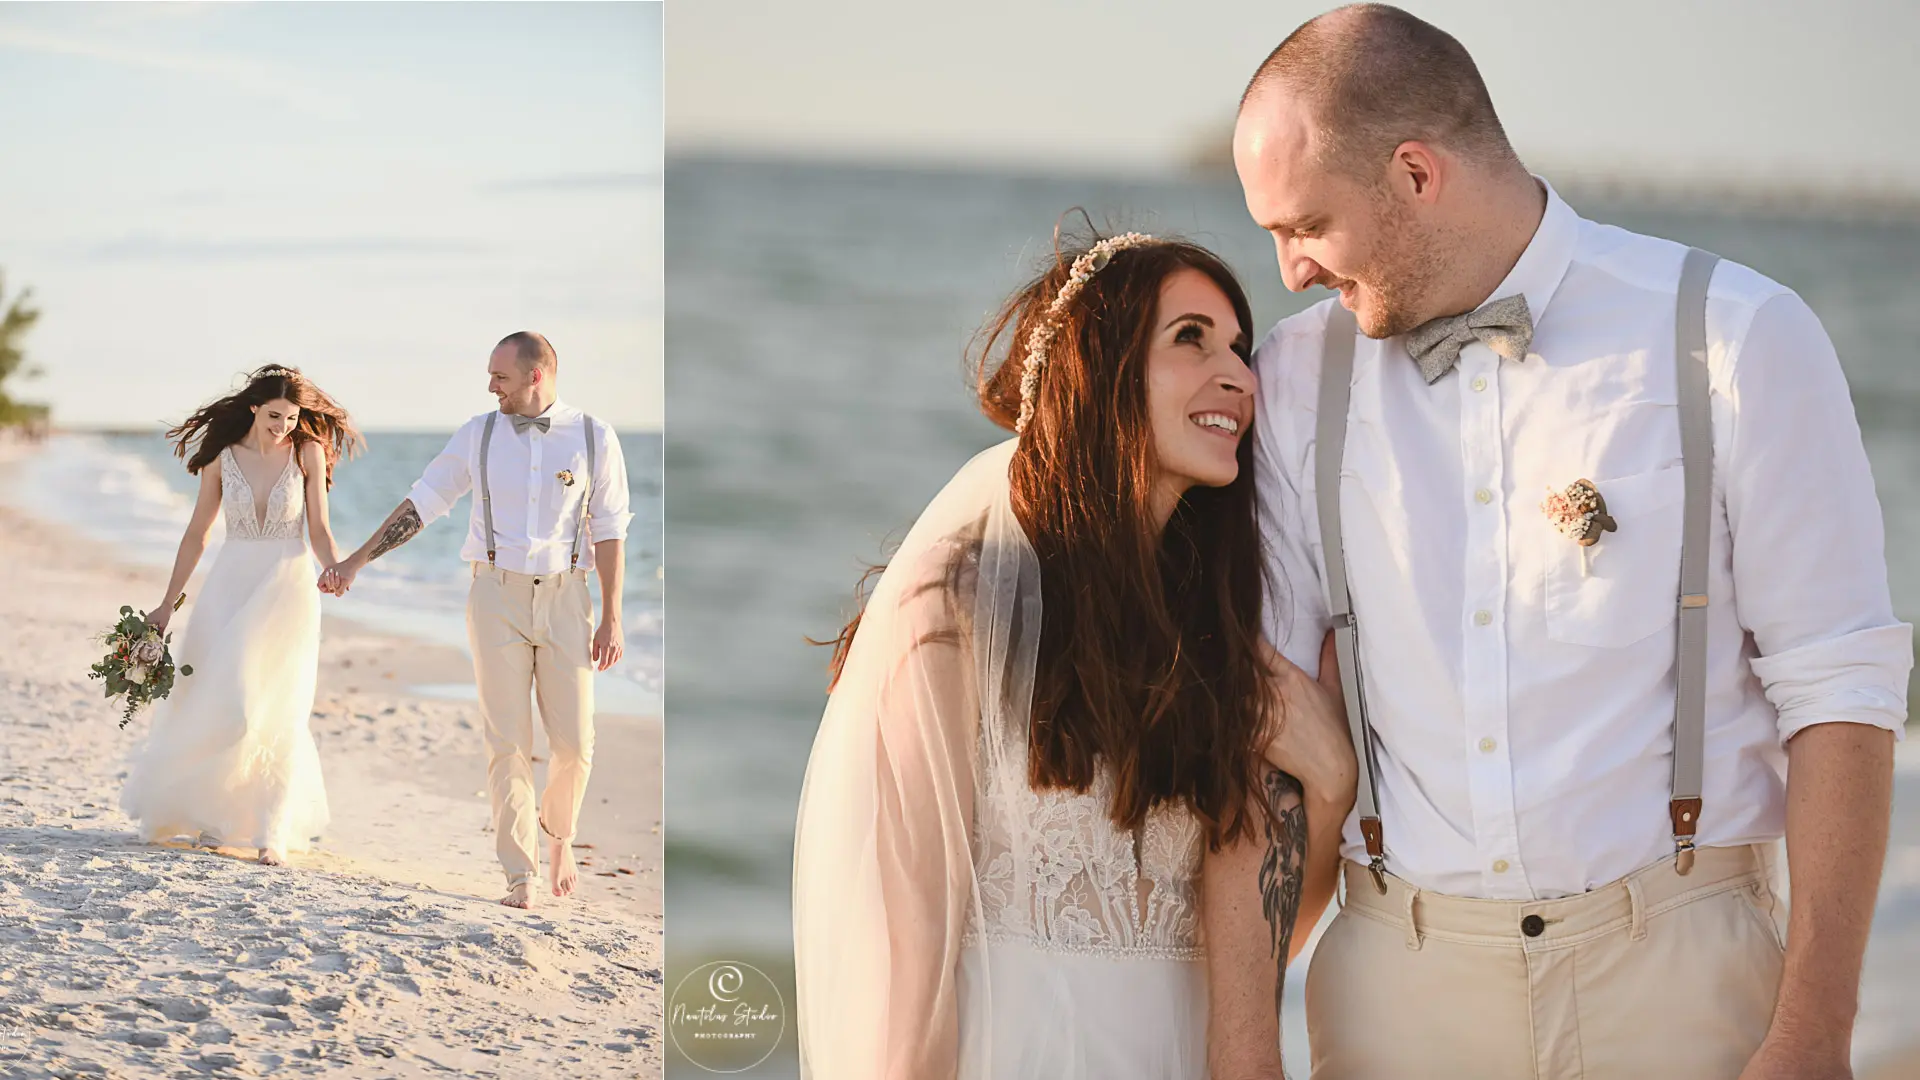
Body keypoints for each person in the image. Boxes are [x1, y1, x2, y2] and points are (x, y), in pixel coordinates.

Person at [1226, 6, 1914, 1078]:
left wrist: (1815, 1033)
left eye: (1306, 225)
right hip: (1395, 997)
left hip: (1686, 984)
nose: (1291, 271)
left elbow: (1840, 693)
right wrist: (1239, 1050)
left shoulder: (1733, 336)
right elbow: (1264, 736)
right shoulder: (1299, 378)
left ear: (1415, 174)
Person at [791, 228, 1356, 1079]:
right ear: (1100, 369)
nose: (1239, 375)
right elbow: (908, 965)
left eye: (1239, 346)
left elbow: (1267, 948)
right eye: (1190, 339)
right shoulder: (951, 609)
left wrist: (1333, 784)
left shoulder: (1213, 633)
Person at [323, 331, 630, 909]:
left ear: (536, 376)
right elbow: (424, 503)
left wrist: (612, 617)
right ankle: (520, 871)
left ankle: (557, 834)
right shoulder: (478, 434)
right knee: (507, 741)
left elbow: (610, 529)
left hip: (568, 598)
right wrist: (356, 561)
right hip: (494, 596)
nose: (491, 386)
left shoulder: (595, 437)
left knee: (575, 745)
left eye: (501, 377)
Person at [120, 364, 362, 866]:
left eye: (291, 418)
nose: (283, 427)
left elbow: (318, 527)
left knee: (278, 707)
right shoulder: (221, 460)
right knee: (225, 700)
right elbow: (196, 535)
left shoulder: (307, 453)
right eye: (274, 416)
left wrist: (336, 567)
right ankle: (215, 819)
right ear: (254, 407)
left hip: (288, 588)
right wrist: (167, 604)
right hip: (228, 585)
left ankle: (270, 828)